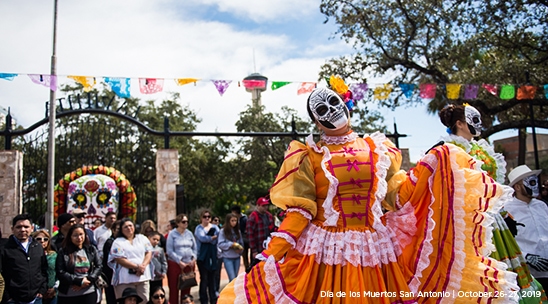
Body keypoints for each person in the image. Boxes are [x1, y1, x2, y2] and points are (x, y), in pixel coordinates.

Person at [218, 84, 519, 303]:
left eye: (333, 102)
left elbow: (396, 196)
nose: (331, 111)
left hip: (377, 249)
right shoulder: (307, 155)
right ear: (315, 121)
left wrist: (431, 167)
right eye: (321, 110)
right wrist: (275, 250)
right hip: (325, 253)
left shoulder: (378, 148)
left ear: (345, 101)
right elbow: (300, 210)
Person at [439, 103, 546, 303]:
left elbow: (495, 186)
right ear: (461, 124)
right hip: (468, 221)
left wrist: (505, 214)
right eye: (475, 120)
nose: (480, 124)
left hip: (494, 220)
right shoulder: (447, 149)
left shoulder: (482, 149)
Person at [505, 165, 548, 291]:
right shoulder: (507, 211)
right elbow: (507, 242)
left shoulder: (542, 206)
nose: (535, 186)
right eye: (531, 182)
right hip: (529, 276)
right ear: (517, 187)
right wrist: (526, 257)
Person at [0, 214, 47, 304]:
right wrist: (7, 297)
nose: (22, 230)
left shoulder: (37, 247)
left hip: (36, 299)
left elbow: (43, 269)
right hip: (13, 300)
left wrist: (42, 289)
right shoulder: (4, 249)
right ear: (12, 229)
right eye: (19, 227)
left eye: (26, 227)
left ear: (32, 228)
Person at [108, 218, 153, 303]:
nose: (129, 228)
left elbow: (148, 252)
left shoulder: (142, 238)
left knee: (144, 300)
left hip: (142, 277)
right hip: (125, 278)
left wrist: (143, 266)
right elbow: (119, 258)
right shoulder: (118, 242)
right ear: (121, 229)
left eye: (130, 226)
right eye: (125, 227)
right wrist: (136, 267)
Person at [55, 224, 102, 304]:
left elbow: (99, 266)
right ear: (70, 237)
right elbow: (60, 271)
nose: (79, 238)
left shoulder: (91, 249)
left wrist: (88, 280)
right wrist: (78, 281)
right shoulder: (63, 252)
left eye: (81, 234)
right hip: (69, 293)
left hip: (88, 291)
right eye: (75, 235)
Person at [166, 213, 197, 304]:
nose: (186, 223)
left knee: (186, 287)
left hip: (189, 264)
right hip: (175, 265)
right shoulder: (172, 234)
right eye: (183, 222)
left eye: (187, 221)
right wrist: (179, 261)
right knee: (174, 288)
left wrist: (194, 259)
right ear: (178, 223)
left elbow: (195, 248)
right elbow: (169, 251)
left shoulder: (189, 233)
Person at [194, 210, 219, 304]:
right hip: (202, 257)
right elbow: (202, 238)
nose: (207, 218)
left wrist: (210, 239)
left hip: (213, 256)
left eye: (208, 216)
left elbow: (217, 239)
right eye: (205, 216)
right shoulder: (198, 228)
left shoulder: (215, 227)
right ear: (201, 218)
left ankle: (213, 299)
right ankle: (203, 299)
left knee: (212, 278)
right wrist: (211, 238)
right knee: (204, 278)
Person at [32, 229, 58, 304]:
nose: (42, 241)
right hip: (36, 293)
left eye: (45, 239)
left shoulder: (54, 255)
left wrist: (54, 288)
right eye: (38, 239)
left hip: (52, 292)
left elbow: (58, 272)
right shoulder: (30, 255)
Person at [217, 214, 243, 282]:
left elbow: (241, 243)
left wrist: (240, 249)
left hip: (236, 257)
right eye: (232, 221)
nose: (234, 222)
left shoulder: (238, 231)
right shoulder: (223, 231)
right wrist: (231, 244)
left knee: (235, 278)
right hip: (228, 257)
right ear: (228, 221)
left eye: (235, 221)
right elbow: (220, 244)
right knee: (232, 278)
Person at [103, 220, 122, 304]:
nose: (119, 231)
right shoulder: (110, 242)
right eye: (118, 229)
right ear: (113, 230)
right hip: (111, 275)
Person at [146, 231, 167, 300]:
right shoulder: (145, 249)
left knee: (158, 292)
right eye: (154, 239)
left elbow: (163, 261)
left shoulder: (160, 250)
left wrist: (164, 272)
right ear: (149, 238)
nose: (156, 241)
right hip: (148, 276)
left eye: (157, 240)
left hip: (158, 276)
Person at [230, 205, 249, 270]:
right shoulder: (235, 219)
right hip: (239, 239)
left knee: (245, 255)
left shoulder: (244, 218)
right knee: (243, 256)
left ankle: (248, 268)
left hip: (245, 239)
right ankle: (246, 268)